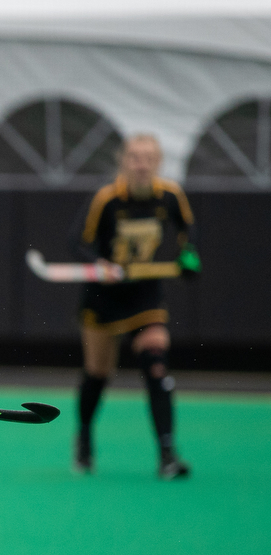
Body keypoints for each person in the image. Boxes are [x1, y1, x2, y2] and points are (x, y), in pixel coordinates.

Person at [69, 133, 198, 479]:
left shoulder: (170, 196)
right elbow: (78, 243)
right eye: (134, 157)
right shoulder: (106, 199)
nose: (141, 164)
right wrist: (102, 266)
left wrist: (187, 256)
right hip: (104, 298)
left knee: (156, 362)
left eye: (148, 158)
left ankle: (167, 454)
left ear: (157, 163)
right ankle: (83, 438)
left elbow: (189, 232)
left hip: (145, 296)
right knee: (97, 374)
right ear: (122, 162)